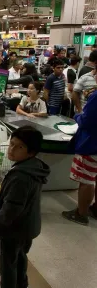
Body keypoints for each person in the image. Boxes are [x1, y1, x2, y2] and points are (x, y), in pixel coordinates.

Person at [0, 126, 50, 288]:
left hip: (13, 230)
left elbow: (10, 211)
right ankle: (22, 285)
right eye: (11, 144)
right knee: (21, 255)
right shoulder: (34, 167)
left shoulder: (20, 177)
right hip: (28, 226)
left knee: (7, 264)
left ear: (31, 152)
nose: (11, 149)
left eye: (19, 147)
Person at [62, 89, 97, 225]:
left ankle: (81, 214)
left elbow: (87, 121)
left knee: (86, 180)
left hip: (91, 144)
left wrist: (78, 116)